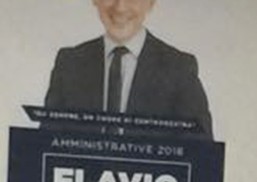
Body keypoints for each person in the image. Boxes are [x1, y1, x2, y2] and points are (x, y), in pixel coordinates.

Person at [44, 0, 213, 139]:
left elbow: (200, 156)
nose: (120, 7)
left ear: (151, 3)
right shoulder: (69, 64)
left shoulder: (179, 69)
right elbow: (46, 146)